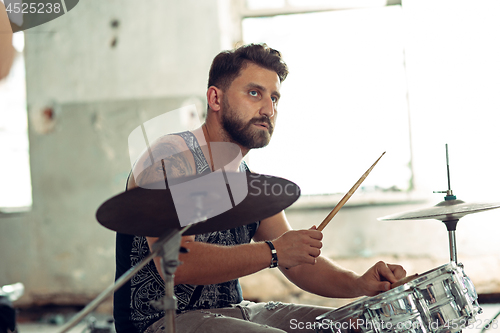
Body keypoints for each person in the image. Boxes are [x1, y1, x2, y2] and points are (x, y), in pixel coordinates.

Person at [113, 43, 406, 333]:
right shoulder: (171, 156)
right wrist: (275, 251)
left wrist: (359, 283)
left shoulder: (248, 181)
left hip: (237, 313)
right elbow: (178, 262)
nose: (269, 109)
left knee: (357, 326)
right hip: (162, 322)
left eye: (275, 98)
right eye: (254, 93)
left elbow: (299, 265)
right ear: (215, 98)